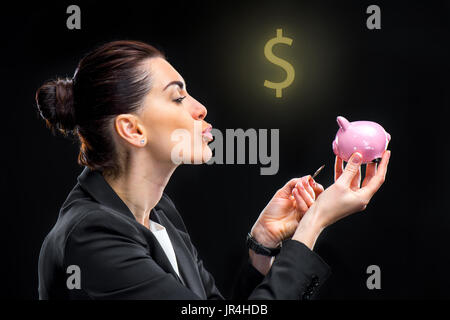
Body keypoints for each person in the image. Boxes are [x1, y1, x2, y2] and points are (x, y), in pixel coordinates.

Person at [35, 40, 390, 300]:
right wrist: (313, 225)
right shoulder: (93, 238)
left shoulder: (158, 215)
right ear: (133, 130)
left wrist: (263, 246)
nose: (200, 108)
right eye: (177, 98)